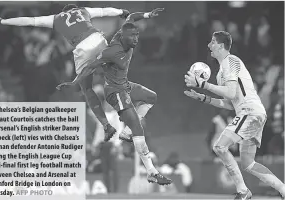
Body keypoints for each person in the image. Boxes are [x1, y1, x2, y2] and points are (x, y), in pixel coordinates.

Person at [57, 8, 172, 186]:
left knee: (152, 97)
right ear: (124, 37)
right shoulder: (111, 51)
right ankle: (151, 171)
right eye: (133, 36)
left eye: (137, 35)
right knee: (138, 128)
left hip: (125, 85)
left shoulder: (123, 34)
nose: (136, 39)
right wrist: (74, 82)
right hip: (114, 91)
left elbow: (133, 16)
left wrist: (147, 15)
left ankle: (126, 132)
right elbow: (90, 67)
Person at [0, 4, 130, 142]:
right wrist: (121, 11)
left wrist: (3, 21)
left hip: (80, 58)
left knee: (86, 90)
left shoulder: (59, 24)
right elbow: (104, 11)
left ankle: (104, 126)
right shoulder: (81, 14)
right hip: (94, 45)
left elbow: (30, 21)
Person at [184, 31, 285, 200]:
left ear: (221, 46)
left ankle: (243, 191)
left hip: (250, 112)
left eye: (212, 42)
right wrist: (203, 98)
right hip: (253, 113)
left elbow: (230, 93)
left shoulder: (231, 61)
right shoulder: (220, 72)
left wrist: (202, 83)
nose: (209, 45)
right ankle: (283, 189)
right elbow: (229, 103)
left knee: (219, 146)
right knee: (248, 163)